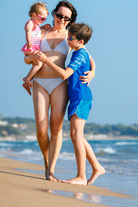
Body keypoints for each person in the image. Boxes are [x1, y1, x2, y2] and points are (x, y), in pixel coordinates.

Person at [24, 0, 95, 181]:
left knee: (56, 128)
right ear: (53, 13)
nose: (61, 20)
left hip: (59, 85)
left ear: (70, 20)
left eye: (66, 18)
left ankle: (51, 170)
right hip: (40, 81)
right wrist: (32, 57)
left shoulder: (70, 36)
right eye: (59, 15)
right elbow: (27, 59)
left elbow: (89, 58)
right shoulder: (41, 31)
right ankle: (47, 162)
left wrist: (93, 73)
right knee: (41, 129)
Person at [35, 23, 105, 185]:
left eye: (71, 38)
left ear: (81, 41)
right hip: (77, 98)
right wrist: (93, 72)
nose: (67, 40)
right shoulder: (79, 51)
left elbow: (65, 74)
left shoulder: (79, 54)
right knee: (77, 136)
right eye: (68, 36)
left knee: (75, 135)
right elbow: (91, 61)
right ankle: (96, 167)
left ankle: (81, 176)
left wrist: (46, 60)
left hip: (81, 97)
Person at [21, 1, 49, 95]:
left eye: (45, 19)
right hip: (31, 47)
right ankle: (27, 78)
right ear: (33, 15)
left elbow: (37, 32)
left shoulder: (36, 25)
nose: (42, 21)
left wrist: (43, 27)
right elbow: (28, 31)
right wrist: (29, 41)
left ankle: (28, 82)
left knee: (36, 66)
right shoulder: (30, 23)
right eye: (41, 18)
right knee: (39, 64)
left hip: (34, 48)